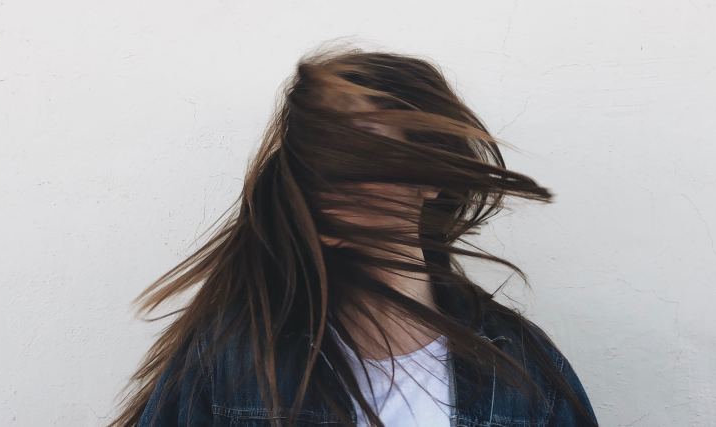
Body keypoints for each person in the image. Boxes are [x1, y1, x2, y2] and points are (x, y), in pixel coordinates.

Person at [111, 46, 599, 427]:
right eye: (317, 156)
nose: (330, 176)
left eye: (358, 149)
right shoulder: (232, 358)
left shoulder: (520, 370)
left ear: (431, 176)